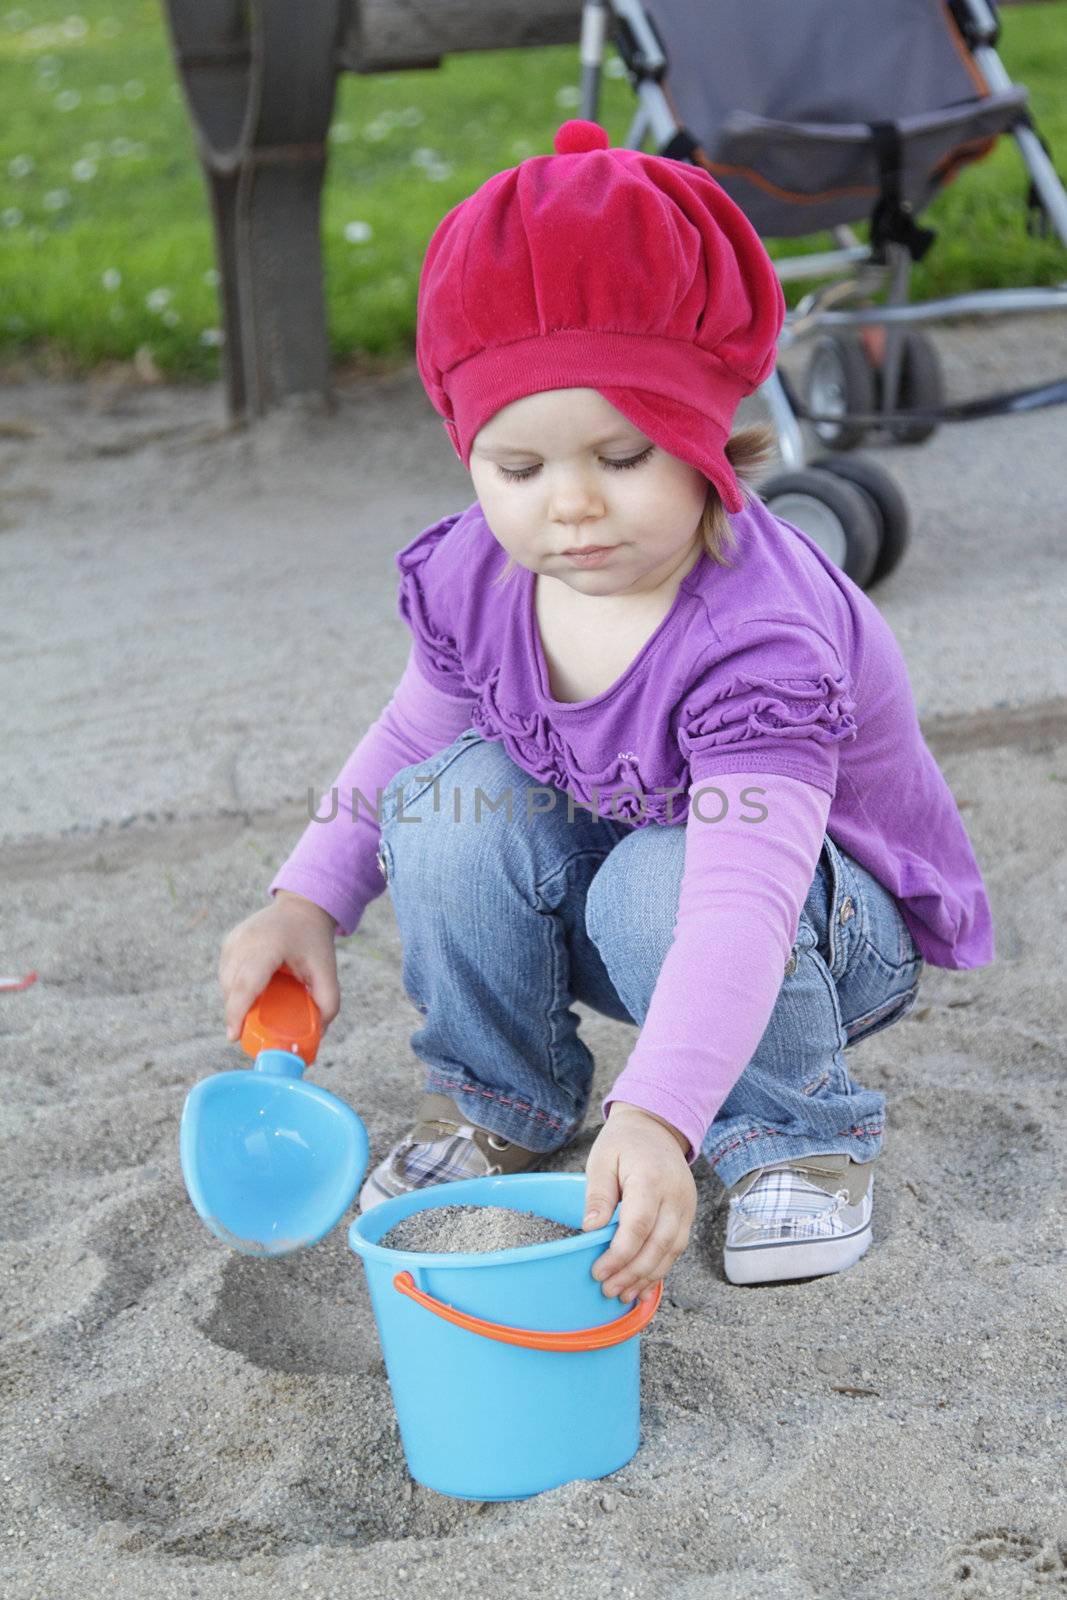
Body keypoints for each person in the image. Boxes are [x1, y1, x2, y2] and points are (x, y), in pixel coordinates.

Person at [218, 120, 994, 1296]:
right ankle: (508, 1103)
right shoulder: (480, 573)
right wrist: (303, 895)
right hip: (642, 892)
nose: (568, 506)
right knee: (451, 800)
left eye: (622, 454)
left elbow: (736, 898)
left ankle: (799, 1134)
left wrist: (660, 1116)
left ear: (703, 440)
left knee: (657, 882)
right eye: (517, 469)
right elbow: (408, 740)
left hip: (816, 928)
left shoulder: (754, 638)